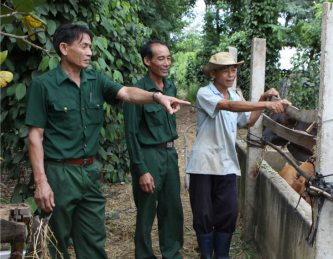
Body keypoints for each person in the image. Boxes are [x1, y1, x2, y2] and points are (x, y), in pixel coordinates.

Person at [25, 24, 190, 259]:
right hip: (59, 173)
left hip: (89, 172)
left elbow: (128, 93)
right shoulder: (43, 86)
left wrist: (156, 97)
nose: (90, 52)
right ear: (63, 48)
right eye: (84, 46)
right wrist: (41, 181)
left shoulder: (96, 80)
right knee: (55, 240)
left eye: (91, 47)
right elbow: (35, 137)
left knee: (93, 239)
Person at [185, 52, 291, 259]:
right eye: (225, 70)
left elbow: (249, 120)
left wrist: (262, 99)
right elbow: (230, 107)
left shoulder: (235, 95)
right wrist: (266, 105)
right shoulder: (205, 93)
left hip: (226, 164)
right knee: (204, 214)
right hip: (203, 164)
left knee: (228, 213)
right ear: (213, 73)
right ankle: (207, 256)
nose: (231, 74)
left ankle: (222, 256)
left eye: (233, 70)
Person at [123, 40, 184, 259]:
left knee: (172, 207)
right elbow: (131, 134)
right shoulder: (136, 92)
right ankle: (144, 255)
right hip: (148, 156)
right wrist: (141, 170)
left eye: (168, 58)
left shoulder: (170, 87)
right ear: (147, 61)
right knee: (146, 211)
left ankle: (172, 253)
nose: (166, 63)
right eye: (160, 58)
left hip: (169, 153)